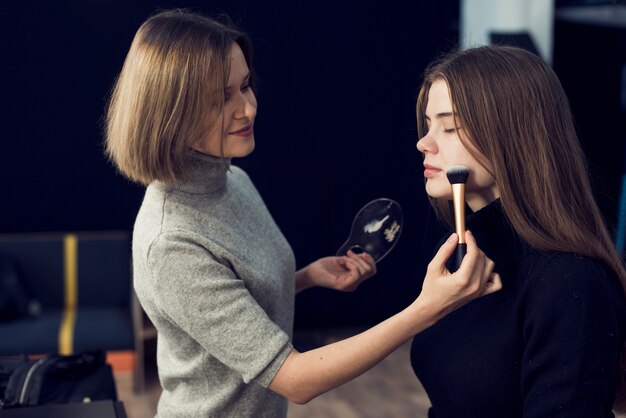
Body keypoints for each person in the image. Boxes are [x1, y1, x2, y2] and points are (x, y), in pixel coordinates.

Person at [104, 9, 501, 418]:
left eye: (245, 86)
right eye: (222, 98)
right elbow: (296, 379)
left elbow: (228, 303)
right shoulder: (171, 242)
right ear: (170, 110)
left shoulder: (232, 181)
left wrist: (309, 277)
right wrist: (426, 309)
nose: (248, 108)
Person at [411, 44, 626, 417]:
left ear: (510, 134)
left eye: (449, 127)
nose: (423, 143)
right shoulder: (467, 260)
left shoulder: (571, 281)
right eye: (428, 125)